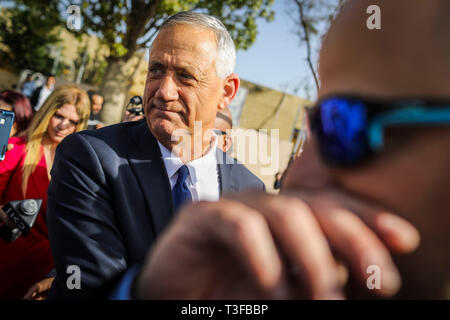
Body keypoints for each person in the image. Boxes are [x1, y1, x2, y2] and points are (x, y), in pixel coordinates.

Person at [127, 0, 450, 300]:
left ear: (227, 92)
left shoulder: (247, 185)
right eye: (318, 126)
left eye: (348, 126)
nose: (295, 180)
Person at [46, 11, 265, 299]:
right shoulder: (88, 158)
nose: (163, 91)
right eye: (156, 70)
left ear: (226, 91)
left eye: (185, 76)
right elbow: (93, 287)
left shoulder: (251, 191)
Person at [0, 85, 90, 300]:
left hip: (48, 275)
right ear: (48, 111)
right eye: (58, 115)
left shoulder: (83, 166)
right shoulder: (17, 148)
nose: (63, 125)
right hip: (7, 264)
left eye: (72, 121)